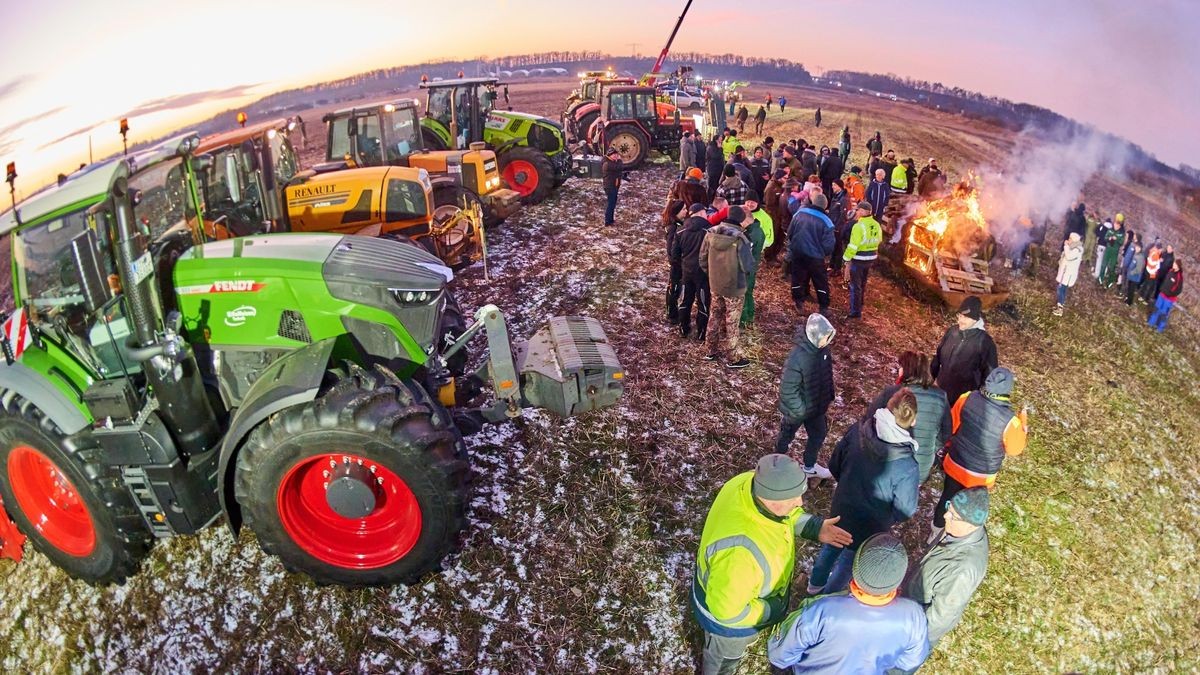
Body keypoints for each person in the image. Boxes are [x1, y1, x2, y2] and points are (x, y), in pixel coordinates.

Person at [693, 454, 853, 675]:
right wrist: (771, 609)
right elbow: (726, 613)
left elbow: (785, 515)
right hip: (728, 626)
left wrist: (815, 527)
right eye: (794, 498)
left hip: (730, 588)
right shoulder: (740, 555)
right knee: (723, 661)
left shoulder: (749, 483)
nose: (800, 503)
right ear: (772, 499)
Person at [808, 389, 920, 594]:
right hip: (870, 526)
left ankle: (814, 587)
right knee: (848, 562)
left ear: (887, 407)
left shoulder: (857, 431)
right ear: (913, 421)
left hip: (843, 507)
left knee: (831, 545)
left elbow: (835, 464)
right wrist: (887, 518)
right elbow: (906, 509)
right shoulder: (908, 465)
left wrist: (847, 486)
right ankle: (827, 599)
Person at [768, 533, 930, 674]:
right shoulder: (914, 616)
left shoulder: (820, 611)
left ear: (856, 568)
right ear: (897, 580)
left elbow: (780, 655)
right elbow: (909, 662)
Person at [934, 367, 1027, 531]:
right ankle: (958, 534)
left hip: (956, 463)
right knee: (968, 510)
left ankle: (936, 528)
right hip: (981, 477)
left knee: (947, 497)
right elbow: (1015, 450)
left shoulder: (967, 397)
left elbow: (952, 425)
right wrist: (1023, 426)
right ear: (1008, 391)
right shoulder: (1012, 422)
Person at [906, 487, 991, 649]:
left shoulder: (962, 571)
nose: (945, 516)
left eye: (953, 515)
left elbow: (939, 619)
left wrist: (910, 640)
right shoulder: (958, 532)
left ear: (971, 525)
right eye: (948, 507)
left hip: (916, 633)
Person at [864, 352, 951, 482]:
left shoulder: (893, 393)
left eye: (901, 367)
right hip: (920, 467)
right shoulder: (941, 396)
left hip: (889, 463)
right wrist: (930, 447)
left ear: (908, 370)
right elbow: (947, 432)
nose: (899, 370)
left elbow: (868, 421)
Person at [774, 313, 837, 480]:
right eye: (825, 338)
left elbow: (826, 374)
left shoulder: (823, 351)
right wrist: (799, 409)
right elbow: (788, 389)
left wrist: (829, 394)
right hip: (798, 411)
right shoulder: (798, 357)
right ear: (814, 335)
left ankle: (809, 466)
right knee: (786, 435)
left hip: (816, 407)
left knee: (818, 434)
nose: (827, 341)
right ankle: (776, 461)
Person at [701, 206, 756, 368]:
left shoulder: (710, 232)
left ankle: (710, 350)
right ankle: (733, 357)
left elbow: (702, 259)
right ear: (740, 220)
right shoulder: (741, 239)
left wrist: (712, 275)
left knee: (714, 315)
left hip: (715, 283)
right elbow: (748, 266)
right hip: (735, 286)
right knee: (732, 322)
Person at [930, 296, 998, 405]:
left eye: (965, 317)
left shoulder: (984, 342)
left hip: (962, 401)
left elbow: (990, 375)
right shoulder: (952, 332)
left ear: (975, 319)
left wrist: (978, 401)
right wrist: (928, 381)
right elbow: (937, 357)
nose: (960, 320)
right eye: (959, 315)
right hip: (940, 393)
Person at [788, 194, 836, 315]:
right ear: (825, 206)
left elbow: (790, 232)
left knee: (797, 278)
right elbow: (829, 245)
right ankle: (824, 307)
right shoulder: (827, 221)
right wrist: (823, 253)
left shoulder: (799, 213)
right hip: (815, 257)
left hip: (798, 252)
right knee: (820, 281)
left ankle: (799, 303)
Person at [673, 204, 712, 339]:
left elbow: (674, 255)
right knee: (703, 302)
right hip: (704, 272)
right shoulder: (709, 231)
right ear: (701, 212)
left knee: (685, 300)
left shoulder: (680, 231)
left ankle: (683, 328)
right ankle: (701, 333)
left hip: (687, 270)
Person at [842, 201, 882, 319]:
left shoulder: (858, 226)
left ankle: (855, 312)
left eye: (858, 210)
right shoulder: (876, 224)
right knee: (863, 283)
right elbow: (879, 240)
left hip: (859, 259)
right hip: (870, 259)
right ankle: (860, 303)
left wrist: (846, 258)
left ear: (864, 211)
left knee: (855, 286)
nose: (856, 212)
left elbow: (853, 246)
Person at [740, 192, 769, 327]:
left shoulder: (760, 223)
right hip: (750, 262)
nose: (750, 204)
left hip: (749, 264)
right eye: (748, 201)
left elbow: (769, 237)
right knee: (748, 290)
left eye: (753, 202)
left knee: (746, 291)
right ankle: (749, 316)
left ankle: (745, 318)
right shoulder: (753, 226)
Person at [663, 199, 688, 325]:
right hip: (677, 265)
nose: (686, 211)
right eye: (683, 209)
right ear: (676, 212)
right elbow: (671, 249)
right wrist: (676, 261)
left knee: (675, 288)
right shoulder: (673, 228)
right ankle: (672, 315)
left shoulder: (679, 225)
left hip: (679, 263)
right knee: (674, 288)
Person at [1148, 259, 1184, 333]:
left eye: (1175, 264)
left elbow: (1179, 290)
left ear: (1178, 266)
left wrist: (1170, 293)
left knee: (1164, 313)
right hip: (1162, 294)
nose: (1173, 265)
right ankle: (1151, 323)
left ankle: (1160, 328)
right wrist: (1162, 288)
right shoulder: (1170, 271)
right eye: (1173, 263)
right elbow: (1165, 281)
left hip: (1169, 299)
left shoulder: (1179, 277)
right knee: (1156, 309)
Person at [1053, 232, 1084, 316]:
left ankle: (1060, 308)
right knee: (1062, 289)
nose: (1068, 240)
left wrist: (1066, 246)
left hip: (1067, 275)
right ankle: (1060, 304)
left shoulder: (1077, 250)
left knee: (1061, 289)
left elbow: (1069, 257)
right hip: (1065, 273)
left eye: (1070, 239)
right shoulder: (1073, 247)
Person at [827, 180, 849, 276]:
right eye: (832, 185)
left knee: (838, 248)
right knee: (834, 247)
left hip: (838, 227)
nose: (832, 187)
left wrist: (837, 227)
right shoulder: (835, 196)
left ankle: (837, 269)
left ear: (840, 186)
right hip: (833, 225)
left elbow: (843, 215)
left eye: (834, 185)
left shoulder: (843, 199)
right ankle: (831, 266)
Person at [1100, 218, 1126, 288]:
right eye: (1115, 224)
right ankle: (1101, 279)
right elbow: (1105, 237)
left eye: (1117, 225)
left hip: (1115, 251)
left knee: (1112, 267)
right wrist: (1109, 238)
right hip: (1108, 249)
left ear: (1120, 226)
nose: (1115, 226)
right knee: (1103, 264)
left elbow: (1121, 242)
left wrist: (1116, 239)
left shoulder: (1121, 233)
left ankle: (1110, 281)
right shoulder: (1110, 230)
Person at [601, 147, 622, 226]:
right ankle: (607, 221)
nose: (616, 156)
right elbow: (618, 167)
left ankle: (611, 220)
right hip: (610, 186)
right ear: (609, 155)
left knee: (613, 203)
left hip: (614, 185)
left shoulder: (611, 161)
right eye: (614, 155)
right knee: (611, 203)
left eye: (617, 154)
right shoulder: (608, 164)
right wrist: (619, 160)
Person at [1124, 241, 1147, 306]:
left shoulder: (1140, 257)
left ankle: (1129, 302)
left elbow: (1139, 269)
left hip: (1135, 277)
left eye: (1138, 247)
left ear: (1140, 248)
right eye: (1136, 247)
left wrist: (1131, 272)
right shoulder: (1135, 254)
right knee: (1129, 288)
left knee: (1131, 289)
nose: (1136, 248)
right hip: (1131, 276)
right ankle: (1127, 298)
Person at [1093, 216, 1114, 280]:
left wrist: (1099, 225)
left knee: (1099, 260)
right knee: (1105, 261)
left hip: (1101, 245)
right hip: (1108, 247)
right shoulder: (1112, 230)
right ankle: (1103, 274)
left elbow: (1097, 233)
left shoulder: (1102, 227)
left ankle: (1097, 274)